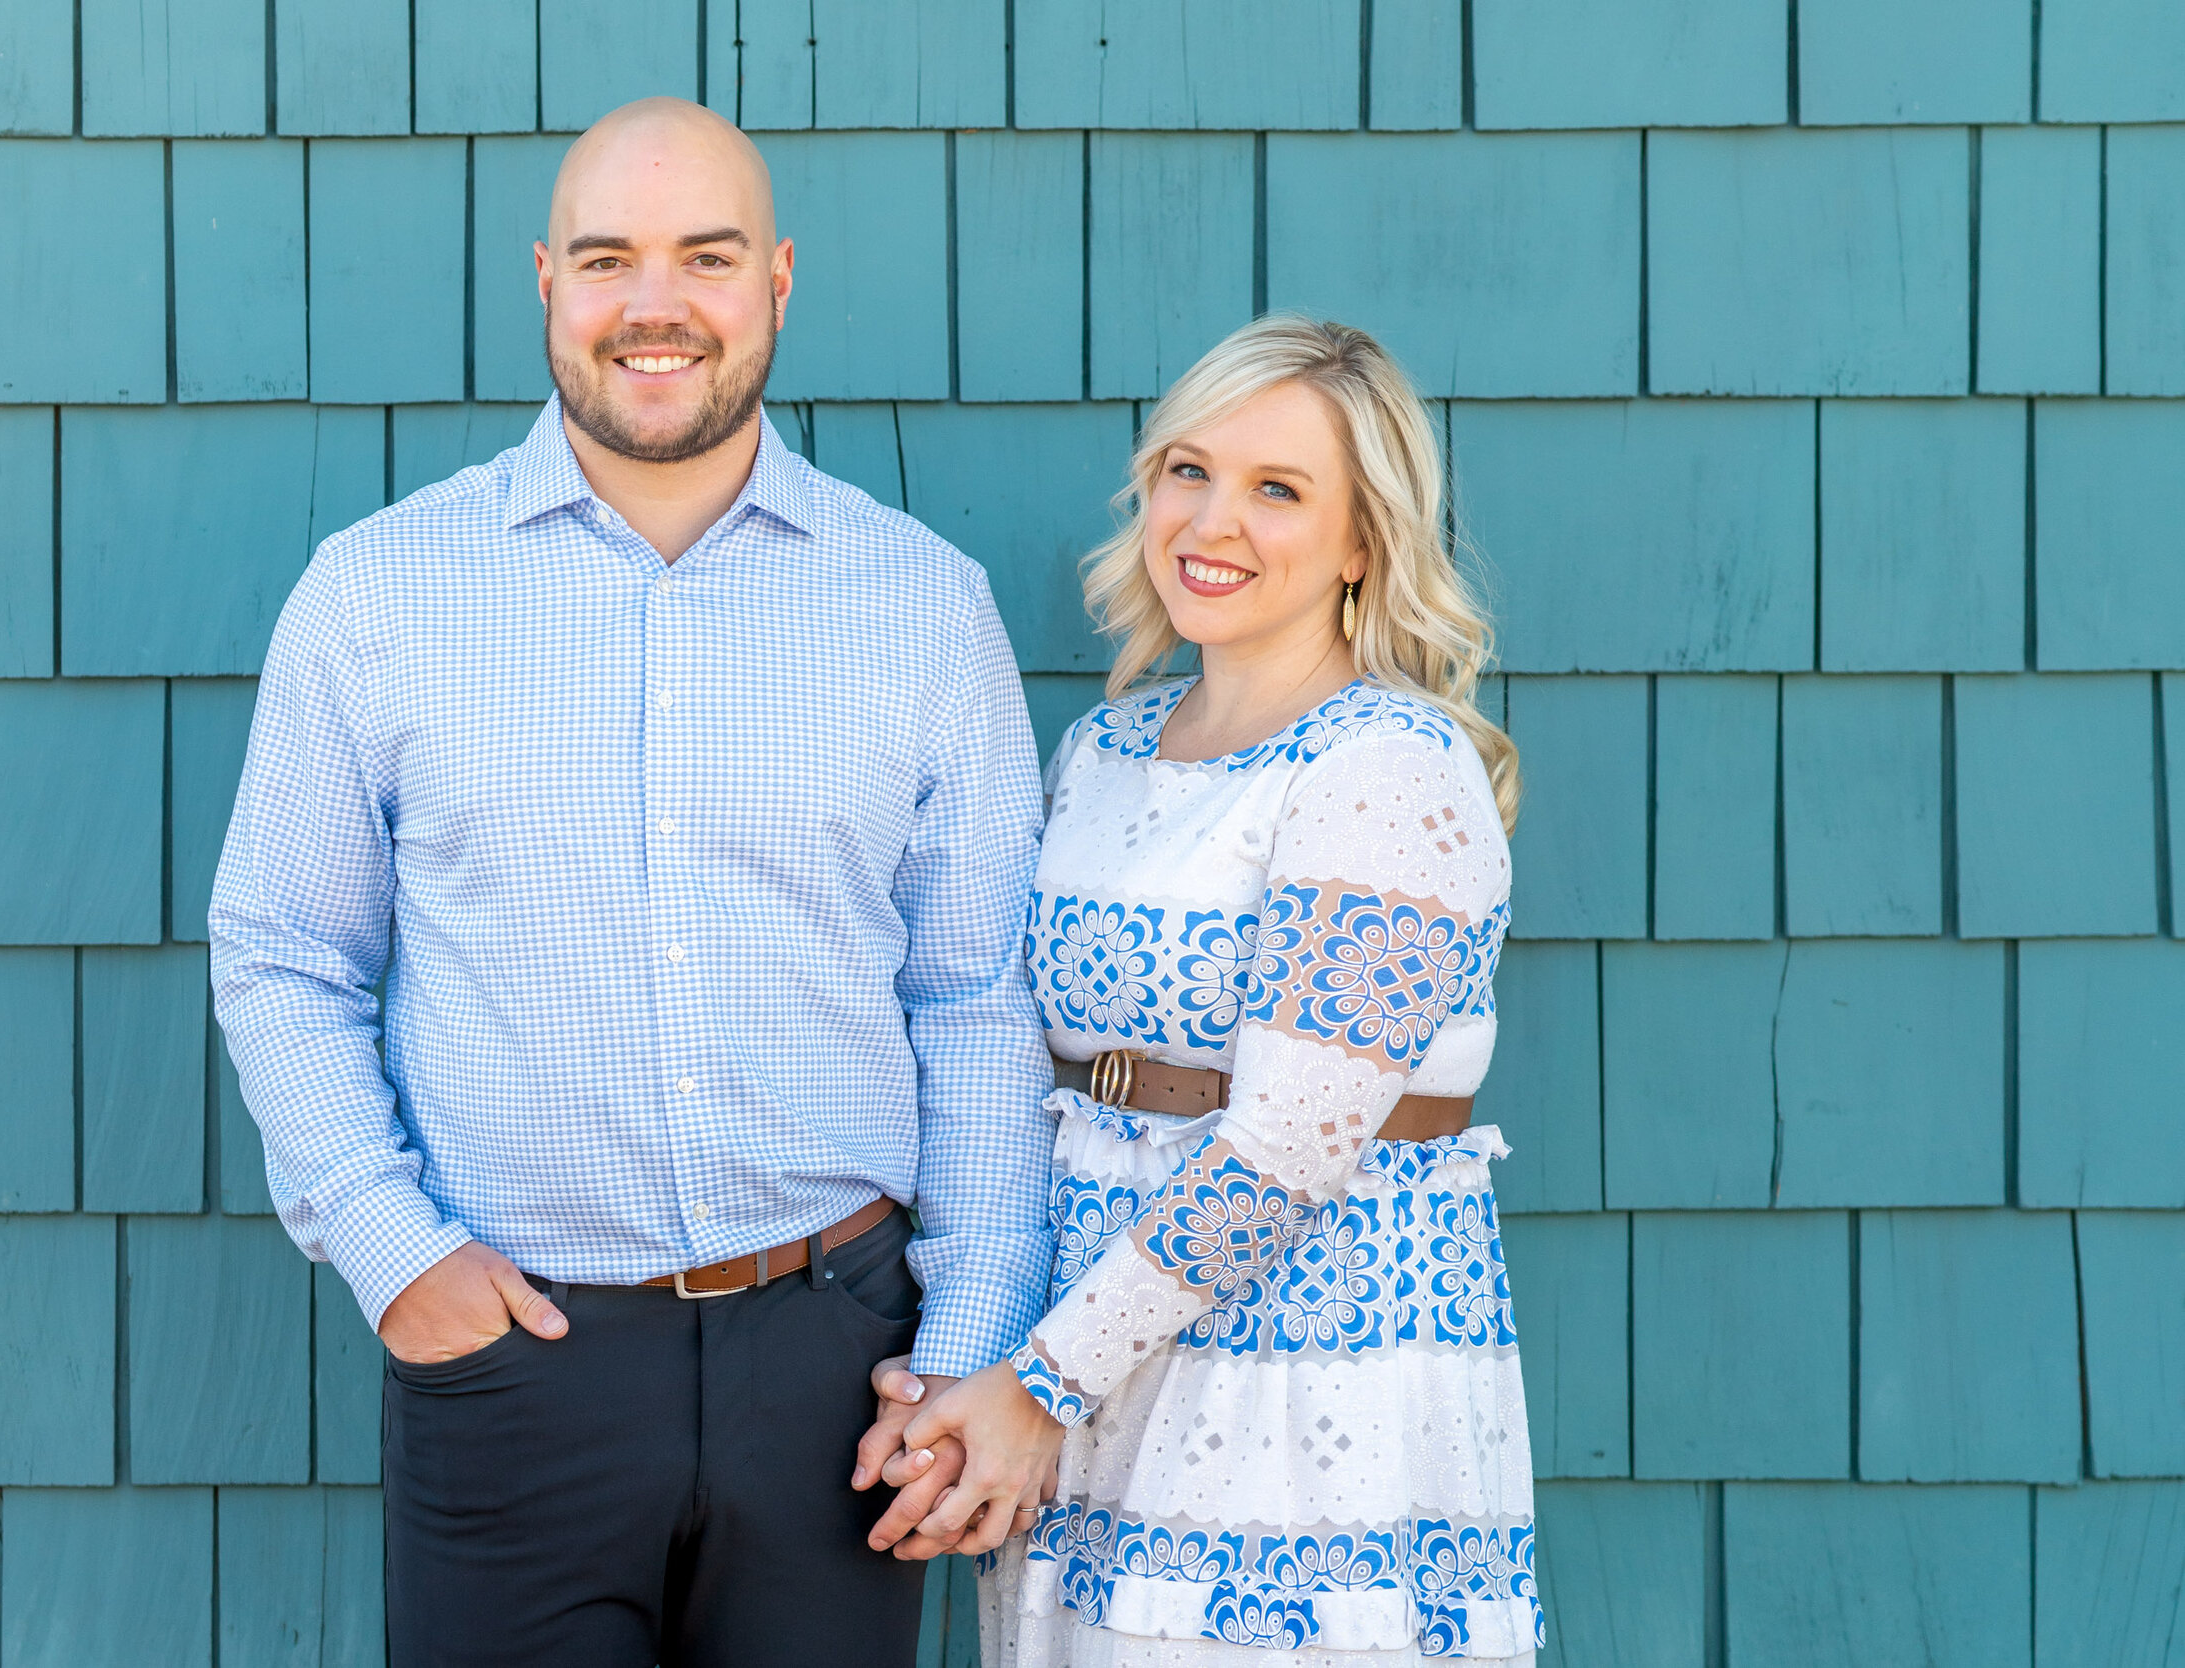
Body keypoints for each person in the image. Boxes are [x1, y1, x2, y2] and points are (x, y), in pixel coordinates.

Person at [208, 97, 1054, 1668]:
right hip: (515, 1359)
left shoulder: (924, 608)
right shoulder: (381, 593)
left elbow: (975, 994)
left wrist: (973, 1341)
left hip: (844, 1370)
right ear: (545, 281)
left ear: (779, 283)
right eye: (608, 259)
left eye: (706, 257)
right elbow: (282, 953)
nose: (654, 304)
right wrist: (399, 1261)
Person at [858, 315, 1539, 1665]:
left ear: (1363, 543)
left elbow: (1287, 1148)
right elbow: (1012, 1062)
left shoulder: (1388, 768)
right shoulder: (1104, 748)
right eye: (1189, 469)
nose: (1211, 519)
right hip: (1091, 1361)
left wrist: (1039, 1386)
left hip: (1297, 1385)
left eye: (1278, 489)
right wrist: (974, 1371)